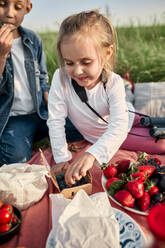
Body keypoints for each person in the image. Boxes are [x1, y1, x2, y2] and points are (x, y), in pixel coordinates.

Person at [47, 10, 135, 185]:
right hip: (100, 134)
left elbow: (119, 126)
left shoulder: (114, 82)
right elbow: (55, 119)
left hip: (124, 122)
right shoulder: (61, 77)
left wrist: (91, 154)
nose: (77, 71)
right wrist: (62, 158)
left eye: (86, 62)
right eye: (69, 63)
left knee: (158, 136)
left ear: (107, 53)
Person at [0, 0, 50, 166]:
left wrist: (52, 105)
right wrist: (2, 56)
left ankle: (32, 134)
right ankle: (21, 137)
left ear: (28, 8)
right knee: (16, 159)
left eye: (18, 7)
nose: (10, 13)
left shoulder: (33, 39)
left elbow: (42, 76)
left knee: (81, 125)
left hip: (40, 111)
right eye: (2, 4)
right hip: (14, 118)